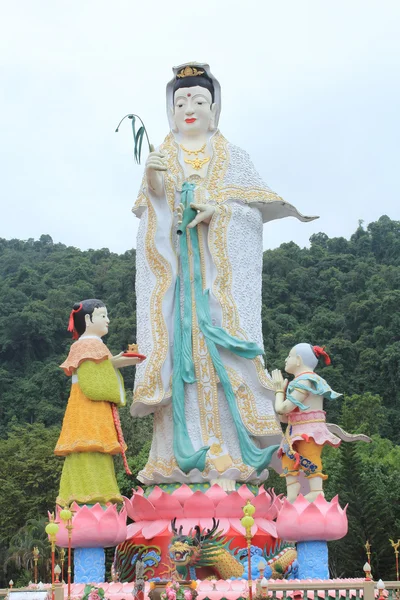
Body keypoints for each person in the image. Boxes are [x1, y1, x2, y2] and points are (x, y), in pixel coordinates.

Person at [130, 63, 317, 491]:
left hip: (216, 291)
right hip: (177, 292)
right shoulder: (162, 156)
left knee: (223, 367)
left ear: (215, 109)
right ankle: (173, 458)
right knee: (180, 367)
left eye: (198, 100)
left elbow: (251, 212)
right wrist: (155, 182)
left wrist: (221, 212)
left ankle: (227, 455)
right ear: (169, 111)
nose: (189, 108)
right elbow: (148, 221)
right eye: (180, 102)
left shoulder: (233, 157)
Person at [55, 299, 142, 505]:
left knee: (89, 450)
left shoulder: (90, 345)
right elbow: (91, 383)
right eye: (103, 316)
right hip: (89, 411)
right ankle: (92, 500)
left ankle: (80, 500)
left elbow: (99, 370)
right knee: (91, 449)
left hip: (83, 411)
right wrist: (115, 368)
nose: (108, 320)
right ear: (87, 318)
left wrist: (119, 361)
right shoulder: (89, 344)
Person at [271, 344, 342, 503]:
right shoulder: (299, 381)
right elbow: (285, 417)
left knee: (310, 456)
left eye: (289, 356)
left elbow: (282, 408)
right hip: (295, 429)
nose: (286, 359)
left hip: (309, 429)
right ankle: (292, 491)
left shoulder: (306, 380)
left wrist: (278, 391)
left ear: (298, 360)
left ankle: (317, 491)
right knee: (286, 456)